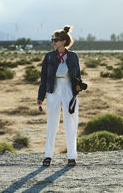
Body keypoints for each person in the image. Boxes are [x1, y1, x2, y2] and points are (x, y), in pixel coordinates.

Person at [37, 25, 82, 167]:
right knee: (51, 124)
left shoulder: (73, 56)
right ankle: (48, 156)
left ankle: (71, 157)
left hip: (69, 91)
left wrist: (78, 86)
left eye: (56, 40)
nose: (53, 42)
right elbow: (43, 77)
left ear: (63, 41)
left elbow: (78, 76)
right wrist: (41, 96)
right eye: (52, 40)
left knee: (71, 123)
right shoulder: (49, 56)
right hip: (53, 91)